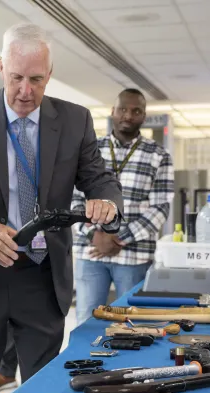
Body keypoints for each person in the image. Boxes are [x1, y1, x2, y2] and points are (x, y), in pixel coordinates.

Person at [0, 22, 123, 393]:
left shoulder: (74, 120)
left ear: (50, 74)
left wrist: (106, 201)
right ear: (1, 67)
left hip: (41, 278)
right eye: (17, 77)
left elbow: (98, 177)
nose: (26, 91)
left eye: (36, 79)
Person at [71, 88, 174, 326]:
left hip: (133, 255)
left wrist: (118, 238)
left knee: (133, 323)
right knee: (87, 321)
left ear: (144, 116)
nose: (128, 115)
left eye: (136, 111)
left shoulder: (158, 155)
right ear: (112, 112)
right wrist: (94, 235)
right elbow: (74, 199)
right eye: (123, 109)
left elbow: (160, 208)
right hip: (90, 252)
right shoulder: (89, 150)